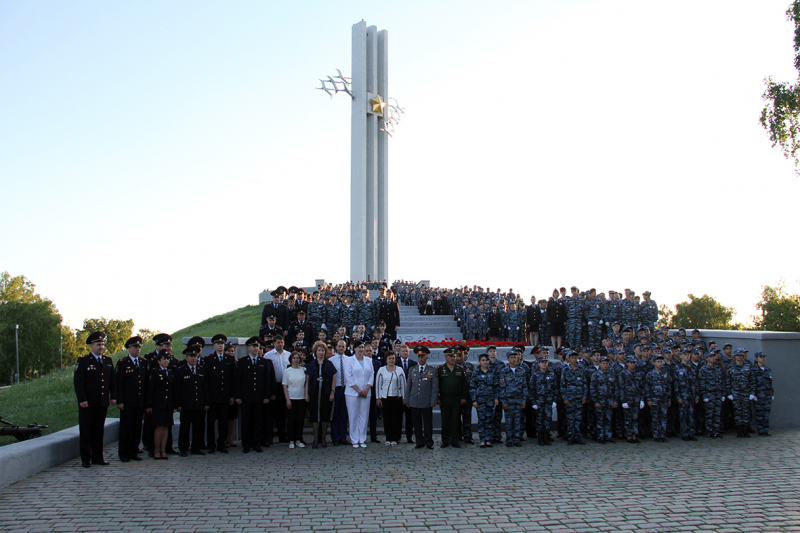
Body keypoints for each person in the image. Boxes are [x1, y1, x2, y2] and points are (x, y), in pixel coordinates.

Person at [74, 331, 116, 468]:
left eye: (102, 344)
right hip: (88, 403)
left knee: (99, 431)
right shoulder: (84, 361)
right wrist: (82, 399)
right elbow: (78, 382)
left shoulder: (107, 361)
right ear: (91, 346)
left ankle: (98, 457)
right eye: (98, 344)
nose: (101, 347)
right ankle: (86, 459)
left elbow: (112, 381)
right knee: (86, 431)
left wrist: (113, 397)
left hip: (102, 402)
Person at [235, 337, 271, 453]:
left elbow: (267, 380)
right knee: (246, 421)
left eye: (257, 346)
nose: (256, 348)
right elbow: (238, 380)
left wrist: (266, 396)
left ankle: (257, 443)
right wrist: (238, 396)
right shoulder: (242, 361)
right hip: (246, 397)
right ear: (248, 348)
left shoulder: (263, 362)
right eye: (253, 346)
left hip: (259, 397)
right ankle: (246, 444)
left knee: (258, 421)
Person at [115, 335, 146, 462]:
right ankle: (123, 453)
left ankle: (133, 451)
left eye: (139, 347)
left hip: (139, 402)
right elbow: (119, 383)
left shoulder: (143, 363)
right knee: (125, 428)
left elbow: (145, 383)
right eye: (134, 347)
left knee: (137, 428)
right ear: (129, 348)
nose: (137, 349)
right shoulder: (123, 363)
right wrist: (119, 401)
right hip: (127, 402)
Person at [174, 345, 209, 457]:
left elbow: (205, 388)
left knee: (198, 427)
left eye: (195, 356)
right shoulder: (181, 371)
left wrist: (206, 403)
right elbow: (177, 389)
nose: (193, 358)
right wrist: (178, 404)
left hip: (198, 404)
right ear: (186, 358)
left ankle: (196, 447)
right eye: (191, 356)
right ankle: (183, 448)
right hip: (186, 405)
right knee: (185, 428)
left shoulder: (201, 369)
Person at [204, 334, 236, 454]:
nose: (220, 346)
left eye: (222, 344)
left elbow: (232, 378)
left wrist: (232, 395)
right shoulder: (208, 359)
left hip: (225, 396)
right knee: (211, 423)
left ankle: (221, 443)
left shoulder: (229, 359)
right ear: (214, 345)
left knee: (223, 422)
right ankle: (211, 444)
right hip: (213, 397)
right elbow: (206, 380)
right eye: (218, 344)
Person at [404, 345, 438, 450]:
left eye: (423, 357)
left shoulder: (432, 370)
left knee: (427, 423)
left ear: (427, 357)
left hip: (426, 400)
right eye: (419, 357)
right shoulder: (412, 370)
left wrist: (433, 400)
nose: (421, 359)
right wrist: (407, 400)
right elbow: (408, 386)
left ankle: (428, 442)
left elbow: (434, 387)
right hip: (414, 400)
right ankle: (419, 441)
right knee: (416, 423)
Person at [307, 341, 337, 448]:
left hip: (326, 392)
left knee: (325, 415)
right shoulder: (311, 364)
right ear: (315, 352)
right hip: (314, 393)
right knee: (315, 415)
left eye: (323, 350)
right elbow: (307, 380)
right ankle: (316, 439)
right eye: (319, 350)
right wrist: (307, 394)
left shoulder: (329, 364)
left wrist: (332, 392)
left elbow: (333, 378)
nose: (321, 352)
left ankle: (324, 438)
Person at [437, 347, 469, 448]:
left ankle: (455, 440)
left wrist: (463, 397)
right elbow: (437, 385)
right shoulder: (441, 369)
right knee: (445, 420)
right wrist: (438, 398)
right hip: (444, 398)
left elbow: (464, 385)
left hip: (456, 398)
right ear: (446, 357)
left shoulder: (460, 369)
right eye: (450, 356)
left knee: (455, 420)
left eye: (454, 356)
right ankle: (445, 440)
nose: (453, 358)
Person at [344, 341, 374, 448]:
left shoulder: (368, 360)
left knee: (364, 416)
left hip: (366, 392)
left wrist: (366, 388)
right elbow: (348, 376)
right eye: (359, 347)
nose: (361, 350)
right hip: (352, 392)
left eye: (362, 347)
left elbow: (371, 375)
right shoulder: (349, 360)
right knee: (353, 416)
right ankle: (354, 439)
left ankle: (362, 438)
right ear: (354, 349)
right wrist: (357, 389)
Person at [147, 351, 175, 460]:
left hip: (168, 404)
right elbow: (150, 389)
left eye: (167, 359)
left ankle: (163, 449)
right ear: (159, 361)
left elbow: (173, 389)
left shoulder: (171, 372)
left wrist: (174, 405)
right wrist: (149, 405)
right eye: (164, 359)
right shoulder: (154, 372)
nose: (166, 361)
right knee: (159, 427)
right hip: (158, 404)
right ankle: (156, 450)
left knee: (166, 427)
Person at [375, 350, 406, 446]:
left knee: (396, 419)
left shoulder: (400, 370)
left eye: (393, 358)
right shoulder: (381, 370)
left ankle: (395, 438)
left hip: (397, 398)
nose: (391, 360)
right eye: (389, 358)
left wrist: (404, 398)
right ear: (386, 360)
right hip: (385, 397)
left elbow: (403, 384)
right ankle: (388, 437)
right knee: (387, 418)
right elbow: (378, 384)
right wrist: (378, 398)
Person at [499, 349, 528, 447]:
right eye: (511, 357)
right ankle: (509, 439)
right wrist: (503, 401)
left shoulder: (521, 370)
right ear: (508, 359)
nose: (514, 359)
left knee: (518, 420)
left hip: (518, 399)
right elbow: (502, 387)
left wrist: (524, 400)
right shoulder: (504, 371)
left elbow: (524, 386)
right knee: (508, 421)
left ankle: (516, 439)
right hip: (508, 400)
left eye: (515, 357)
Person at [265, 335, 291, 444]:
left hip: (285, 386)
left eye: (281, 342)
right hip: (274, 385)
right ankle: (269, 437)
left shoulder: (288, 355)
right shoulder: (268, 355)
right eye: (278, 342)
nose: (280, 344)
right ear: (274, 343)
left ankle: (282, 435)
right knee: (271, 413)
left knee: (282, 413)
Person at [470, 353, 498, 448]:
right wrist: (474, 400)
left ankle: (488, 439)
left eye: (486, 360)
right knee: (482, 420)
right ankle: (482, 439)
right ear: (479, 362)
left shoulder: (492, 372)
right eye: (483, 360)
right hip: (480, 400)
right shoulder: (476, 373)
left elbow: (496, 386)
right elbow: (473, 387)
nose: (485, 362)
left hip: (490, 399)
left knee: (489, 419)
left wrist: (496, 398)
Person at [727, 348, 756, 438]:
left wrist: (752, 393)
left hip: (746, 392)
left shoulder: (748, 366)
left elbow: (752, 380)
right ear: (735, 356)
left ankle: (745, 430)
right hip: (735, 392)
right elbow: (728, 381)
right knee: (737, 411)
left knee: (746, 411)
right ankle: (739, 430)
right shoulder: (730, 367)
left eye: (741, 356)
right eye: (737, 356)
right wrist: (729, 393)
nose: (739, 357)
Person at [283, 352, 309, 449]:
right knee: (291, 420)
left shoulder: (304, 370)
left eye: (297, 358)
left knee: (300, 420)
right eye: (294, 358)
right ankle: (291, 440)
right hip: (292, 398)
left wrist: (306, 395)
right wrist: (287, 399)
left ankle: (298, 439)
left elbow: (306, 383)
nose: (296, 360)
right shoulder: (287, 371)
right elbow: (285, 386)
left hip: (301, 398)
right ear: (291, 359)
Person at [560, 350, 587, 445]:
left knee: (578, 418)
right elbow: (563, 385)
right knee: (570, 418)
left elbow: (584, 384)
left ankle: (577, 436)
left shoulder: (581, 369)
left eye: (575, 358)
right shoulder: (565, 370)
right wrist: (565, 398)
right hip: (570, 398)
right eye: (572, 358)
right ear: (568, 358)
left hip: (579, 398)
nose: (574, 360)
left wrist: (584, 396)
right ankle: (570, 436)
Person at [530, 356, 556, 446]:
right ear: (539, 364)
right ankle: (540, 438)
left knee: (548, 419)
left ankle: (546, 437)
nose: (544, 364)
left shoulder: (551, 374)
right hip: (539, 401)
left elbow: (555, 389)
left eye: (545, 362)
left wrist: (554, 400)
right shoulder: (535, 375)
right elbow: (532, 390)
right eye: (542, 362)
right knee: (539, 420)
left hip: (548, 400)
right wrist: (533, 402)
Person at [328, 340, 350, 445]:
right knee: (335, 414)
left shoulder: (350, 360)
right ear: (336, 347)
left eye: (343, 346)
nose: (341, 348)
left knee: (344, 415)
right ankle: (335, 438)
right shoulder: (331, 360)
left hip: (346, 389)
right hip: (336, 389)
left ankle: (343, 437)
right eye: (339, 346)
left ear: (345, 348)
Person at [617, 355, 642, 444]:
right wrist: (623, 401)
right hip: (627, 398)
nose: (633, 365)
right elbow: (621, 388)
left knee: (635, 418)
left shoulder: (638, 373)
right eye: (631, 363)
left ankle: (635, 435)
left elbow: (641, 387)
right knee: (628, 418)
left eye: (634, 363)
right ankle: (628, 435)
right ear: (627, 363)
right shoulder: (623, 373)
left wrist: (641, 399)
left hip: (636, 398)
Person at [397, 344, 417, 444]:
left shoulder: (413, 364)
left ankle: (409, 437)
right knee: (398, 417)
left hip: (410, 395)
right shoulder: (395, 363)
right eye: (403, 351)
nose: (405, 353)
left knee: (410, 418)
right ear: (399, 352)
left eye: (407, 351)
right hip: (398, 395)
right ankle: (398, 436)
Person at [753, 351, 774, 436]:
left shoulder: (767, 369)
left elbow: (770, 383)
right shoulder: (754, 370)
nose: (762, 358)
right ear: (756, 359)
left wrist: (772, 394)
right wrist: (753, 394)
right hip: (759, 395)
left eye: (764, 357)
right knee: (759, 414)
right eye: (760, 357)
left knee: (766, 414)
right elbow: (752, 383)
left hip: (767, 395)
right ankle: (760, 430)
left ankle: (765, 430)